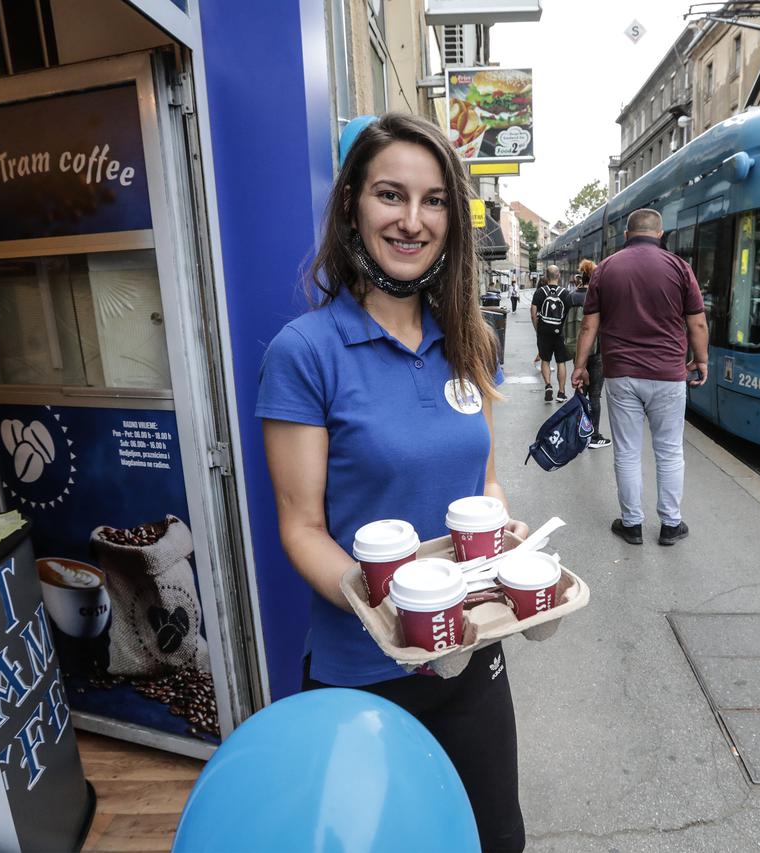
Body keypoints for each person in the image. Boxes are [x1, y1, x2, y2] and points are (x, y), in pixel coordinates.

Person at [256, 113, 529, 852]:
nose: (413, 220)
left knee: (495, 840)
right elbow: (301, 527)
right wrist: (392, 607)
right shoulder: (305, 353)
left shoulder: (470, 338)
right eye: (390, 195)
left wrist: (501, 542)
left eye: (434, 200)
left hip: (471, 655)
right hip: (362, 669)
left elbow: (486, 480)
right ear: (352, 207)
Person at [572, 208, 709, 546]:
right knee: (669, 451)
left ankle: (632, 524)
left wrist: (579, 366)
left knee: (628, 452)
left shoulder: (606, 268)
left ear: (626, 236)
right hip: (668, 374)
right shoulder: (680, 268)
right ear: (660, 234)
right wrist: (701, 360)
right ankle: (670, 524)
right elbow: (697, 323)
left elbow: (590, 325)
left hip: (621, 375)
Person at [562, 258, 610, 449]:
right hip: (597, 352)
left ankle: (578, 432)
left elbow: (566, 325)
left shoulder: (571, 297)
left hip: (578, 352)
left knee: (580, 392)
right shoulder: (599, 298)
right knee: (595, 395)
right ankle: (594, 436)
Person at [531, 264, 574, 403]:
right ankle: (561, 392)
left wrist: (537, 329)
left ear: (546, 276)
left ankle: (548, 385)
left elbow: (533, 313)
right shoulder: (566, 293)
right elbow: (569, 315)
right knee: (561, 362)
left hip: (544, 331)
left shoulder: (539, 292)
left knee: (545, 359)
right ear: (559, 275)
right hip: (560, 332)